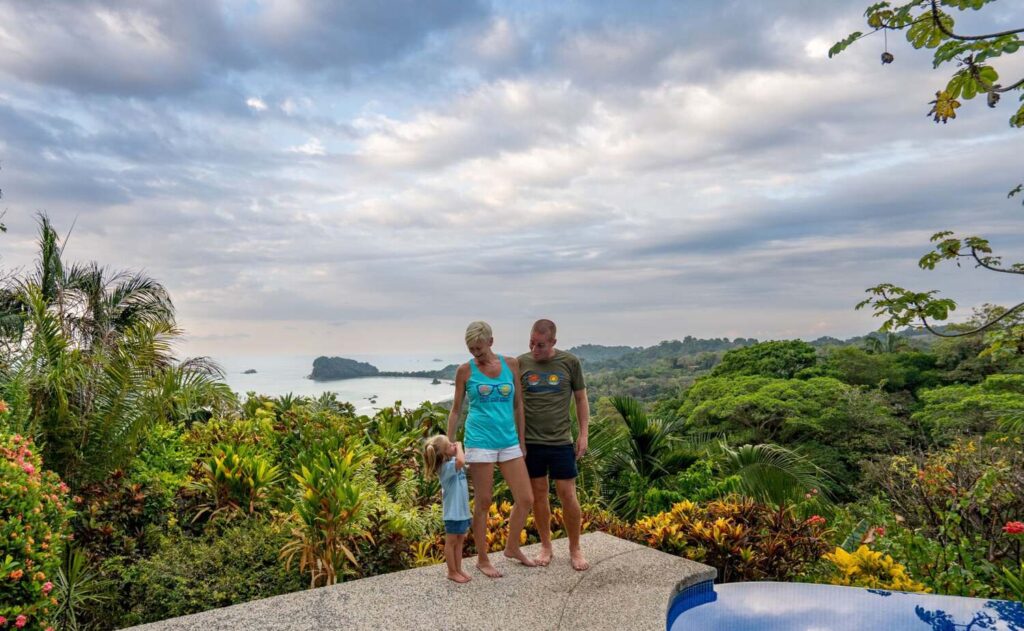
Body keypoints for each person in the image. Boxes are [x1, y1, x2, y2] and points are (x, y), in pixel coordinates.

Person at [447, 321, 536, 578]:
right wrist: (450, 443)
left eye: (479, 347)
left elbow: (519, 405)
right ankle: (482, 559)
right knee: (484, 502)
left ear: (491, 342)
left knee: (526, 498)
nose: (476, 353)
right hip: (480, 441)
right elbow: (456, 410)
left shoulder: (511, 365)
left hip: (508, 440)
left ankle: (512, 547)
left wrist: (522, 440)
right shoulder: (465, 371)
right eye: (471, 348)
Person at [518, 319, 591, 571]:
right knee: (539, 495)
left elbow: (581, 399)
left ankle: (575, 548)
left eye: (540, 345)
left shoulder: (569, 363)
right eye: (531, 343)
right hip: (531, 443)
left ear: (553, 342)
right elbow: (514, 403)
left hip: (561, 441)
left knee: (567, 494)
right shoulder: (521, 363)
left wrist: (583, 434)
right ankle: (546, 546)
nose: (534, 349)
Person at [423, 434, 472, 583]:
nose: (454, 445)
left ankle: (458, 568)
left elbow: (465, 463)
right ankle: (451, 571)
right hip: (453, 514)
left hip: (462, 512)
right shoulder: (445, 468)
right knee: (451, 543)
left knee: (459, 542)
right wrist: (460, 446)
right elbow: (462, 460)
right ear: (444, 453)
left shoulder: (452, 463)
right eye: (450, 445)